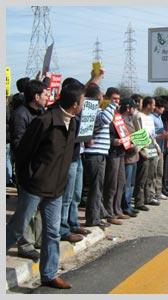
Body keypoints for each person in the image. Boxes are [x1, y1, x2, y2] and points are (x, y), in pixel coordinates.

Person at [6, 82, 86, 289]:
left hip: (56, 188)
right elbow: (23, 153)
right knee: (17, 228)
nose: (84, 104)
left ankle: (49, 275)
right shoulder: (45, 121)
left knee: (52, 232)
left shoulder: (74, 123)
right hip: (35, 187)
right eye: (83, 101)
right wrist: (28, 179)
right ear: (75, 104)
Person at [9, 79, 48, 261]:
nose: (48, 97)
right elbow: (18, 144)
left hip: (41, 168)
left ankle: (37, 239)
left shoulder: (41, 112)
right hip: (27, 169)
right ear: (36, 96)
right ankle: (24, 244)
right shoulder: (20, 114)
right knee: (27, 209)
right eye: (45, 94)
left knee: (39, 207)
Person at [83, 80, 120, 229]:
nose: (103, 98)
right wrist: (111, 105)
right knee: (96, 188)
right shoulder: (94, 112)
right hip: (94, 154)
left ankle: (97, 215)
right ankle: (93, 219)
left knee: (98, 187)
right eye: (102, 96)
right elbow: (105, 120)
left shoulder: (97, 111)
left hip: (99, 154)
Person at [59, 78, 91, 243]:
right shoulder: (61, 115)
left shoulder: (77, 116)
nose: (83, 103)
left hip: (77, 156)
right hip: (68, 160)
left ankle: (73, 222)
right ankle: (63, 229)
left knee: (76, 194)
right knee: (67, 196)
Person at [102, 88, 130, 224]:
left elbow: (123, 132)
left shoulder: (118, 115)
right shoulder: (104, 114)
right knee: (111, 184)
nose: (117, 102)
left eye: (118, 99)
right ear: (107, 99)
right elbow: (103, 133)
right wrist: (114, 141)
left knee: (121, 182)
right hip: (111, 153)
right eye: (114, 99)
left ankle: (117, 209)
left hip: (121, 153)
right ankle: (109, 212)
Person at [132, 96, 162, 211]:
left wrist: (157, 146)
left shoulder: (150, 118)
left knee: (151, 174)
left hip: (152, 147)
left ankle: (148, 196)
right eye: (153, 105)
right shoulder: (138, 116)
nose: (154, 107)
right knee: (142, 176)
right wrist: (141, 149)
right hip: (143, 148)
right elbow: (138, 131)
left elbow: (152, 134)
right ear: (148, 105)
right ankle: (139, 201)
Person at [120, 98, 140, 217]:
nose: (135, 110)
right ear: (128, 108)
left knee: (132, 183)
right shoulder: (121, 120)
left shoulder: (131, 119)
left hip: (135, 156)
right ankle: (125, 206)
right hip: (127, 156)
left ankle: (129, 205)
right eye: (133, 107)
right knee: (126, 184)